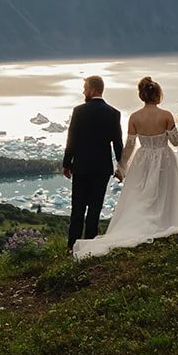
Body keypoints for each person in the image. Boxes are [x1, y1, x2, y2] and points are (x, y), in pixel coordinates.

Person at [71, 76, 178, 259]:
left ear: (141, 95)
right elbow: (177, 141)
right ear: (158, 95)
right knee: (163, 192)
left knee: (142, 195)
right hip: (164, 159)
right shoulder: (166, 115)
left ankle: (141, 225)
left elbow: (129, 147)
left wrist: (121, 168)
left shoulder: (135, 117)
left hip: (143, 159)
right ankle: (163, 224)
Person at [62, 75, 123, 253]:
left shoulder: (79, 111)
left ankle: (72, 246)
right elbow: (117, 144)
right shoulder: (114, 113)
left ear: (94, 89)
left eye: (85, 88)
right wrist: (122, 166)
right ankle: (89, 247)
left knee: (78, 208)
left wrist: (67, 163)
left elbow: (71, 140)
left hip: (81, 167)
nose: (83, 91)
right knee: (95, 209)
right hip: (102, 169)